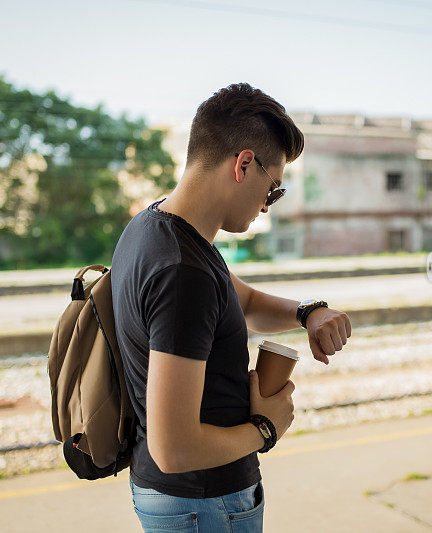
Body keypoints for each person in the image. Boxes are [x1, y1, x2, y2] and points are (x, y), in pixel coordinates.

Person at [110, 83, 353, 532]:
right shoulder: (183, 273)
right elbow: (174, 448)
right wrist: (266, 428)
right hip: (203, 504)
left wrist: (308, 312)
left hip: (183, 500)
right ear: (244, 164)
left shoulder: (156, 227)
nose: (267, 205)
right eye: (273, 188)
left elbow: (243, 301)